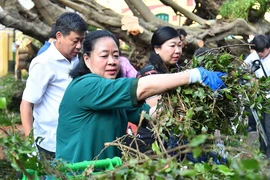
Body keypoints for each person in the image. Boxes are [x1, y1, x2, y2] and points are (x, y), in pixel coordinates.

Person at [55, 29, 226, 163]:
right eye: (104, 56)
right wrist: (194, 75)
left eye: (116, 55)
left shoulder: (113, 95)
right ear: (86, 59)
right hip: (76, 173)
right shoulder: (85, 86)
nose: (112, 61)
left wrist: (196, 106)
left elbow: (151, 115)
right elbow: (141, 88)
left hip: (107, 172)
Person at [20, 12, 88, 159]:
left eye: (82, 41)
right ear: (59, 36)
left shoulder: (77, 60)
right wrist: (31, 145)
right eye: (75, 41)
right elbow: (26, 104)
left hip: (74, 141)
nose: (79, 46)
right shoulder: (44, 63)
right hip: (49, 144)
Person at [246, 34, 270, 158]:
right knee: (261, 128)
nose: (260, 53)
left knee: (269, 127)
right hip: (260, 98)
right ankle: (262, 152)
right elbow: (242, 69)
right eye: (258, 51)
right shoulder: (253, 57)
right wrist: (251, 79)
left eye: (263, 50)